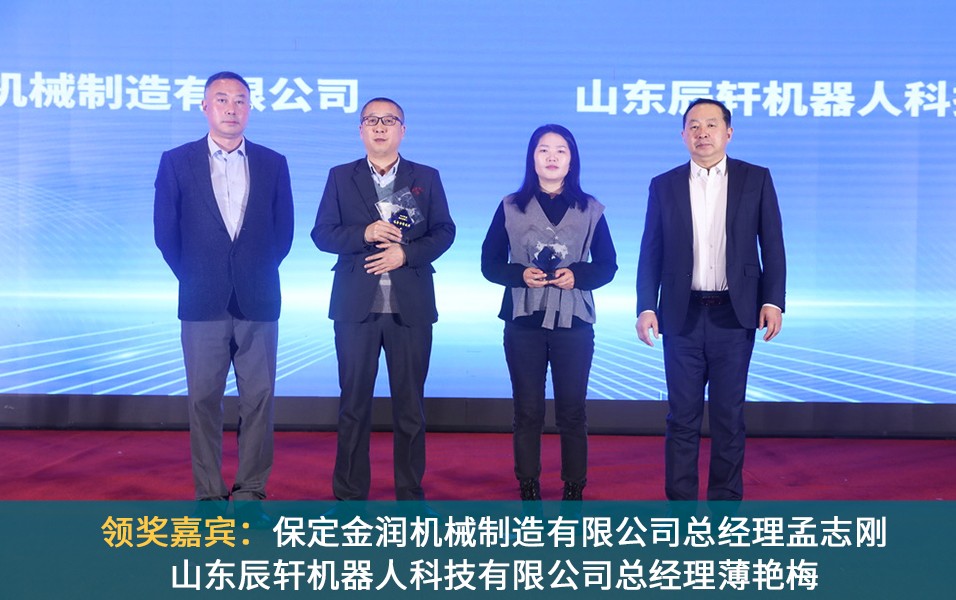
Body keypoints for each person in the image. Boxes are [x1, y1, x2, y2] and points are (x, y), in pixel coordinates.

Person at [154, 71, 294, 516]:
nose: (231, 108)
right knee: (202, 400)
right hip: (201, 301)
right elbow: (165, 234)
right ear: (205, 106)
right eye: (222, 99)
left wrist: (253, 271)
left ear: (249, 108)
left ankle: (251, 492)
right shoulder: (176, 162)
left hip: (258, 299)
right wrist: (197, 275)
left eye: (240, 100)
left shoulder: (273, 162)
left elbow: (283, 233)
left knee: (260, 399)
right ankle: (210, 495)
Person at [635, 98, 786, 502]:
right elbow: (651, 250)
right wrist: (646, 306)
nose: (702, 133)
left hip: (734, 316)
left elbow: (772, 244)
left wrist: (773, 300)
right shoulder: (664, 184)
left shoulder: (755, 178)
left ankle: (724, 506)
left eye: (711, 125)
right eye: (694, 126)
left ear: (728, 133)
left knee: (728, 416)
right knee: (681, 417)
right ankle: (681, 508)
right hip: (681, 315)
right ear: (683, 134)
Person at [312, 97, 455, 501]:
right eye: (371, 120)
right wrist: (365, 233)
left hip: (410, 309)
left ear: (402, 130)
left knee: (410, 408)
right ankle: (349, 495)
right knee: (353, 406)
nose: (379, 127)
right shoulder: (341, 176)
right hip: (356, 309)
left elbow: (444, 231)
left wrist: (405, 254)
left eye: (388, 120)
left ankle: (409, 494)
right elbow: (322, 234)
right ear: (360, 130)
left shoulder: (425, 177)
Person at [482, 124, 617, 501]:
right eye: (544, 150)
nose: (552, 157)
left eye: (561, 150)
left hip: (574, 322)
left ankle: (574, 485)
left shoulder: (590, 208)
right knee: (527, 409)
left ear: (572, 160)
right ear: (532, 158)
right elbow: (489, 263)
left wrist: (578, 276)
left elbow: (608, 265)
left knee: (572, 410)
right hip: (523, 321)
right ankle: (528, 483)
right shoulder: (510, 206)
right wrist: (519, 274)